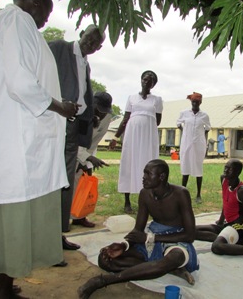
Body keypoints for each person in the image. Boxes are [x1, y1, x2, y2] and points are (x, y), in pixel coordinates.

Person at [0, 0, 78, 296]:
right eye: (47, 10)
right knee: (13, 221)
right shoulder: (17, 21)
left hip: (12, 141)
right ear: (35, 2)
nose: (48, 17)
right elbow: (21, 83)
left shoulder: (8, 24)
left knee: (5, 219)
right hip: (16, 144)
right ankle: (2, 291)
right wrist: (62, 107)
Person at [77, 159, 199, 299]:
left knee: (174, 258)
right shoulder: (145, 194)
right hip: (152, 238)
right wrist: (124, 245)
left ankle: (104, 280)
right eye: (144, 173)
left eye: (148, 174)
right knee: (105, 258)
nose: (144, 177)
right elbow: (138, 230)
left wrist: (150, 238)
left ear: (162, 177)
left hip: (176, 241)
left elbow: (190, 235)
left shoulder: (180, 194)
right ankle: (168, 269)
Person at [49, 24, 106, 249]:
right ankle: (45, 236)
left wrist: (89, 115)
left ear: (98, 48)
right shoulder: (58, 48)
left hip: (73, 127)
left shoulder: (86, 64)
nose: (90, 45)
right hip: (54, 122)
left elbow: (84, 94)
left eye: (95, 44)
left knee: (65, 180)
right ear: (82, 34)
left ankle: (58, 234)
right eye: (89, 39)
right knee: (51, 177)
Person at [111, 71, 163, 214]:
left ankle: (149, 201)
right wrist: (116, 137)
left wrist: (146, 123)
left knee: (149, 164)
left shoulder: (157, 100)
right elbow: (125, 118)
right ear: (141, 80)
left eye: (151, 80)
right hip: (132, 135)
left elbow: (157, 121)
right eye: (145, 79)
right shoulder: (131, 98)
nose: (147, 82)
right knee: (129, 162)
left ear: (154, 84)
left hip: (148, 136)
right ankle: (127, 201)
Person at [72, 92, 113, 228]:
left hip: (87, 150)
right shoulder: (81, 113)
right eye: (99, 110)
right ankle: (63, 219)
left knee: (83, 181)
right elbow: (73, 140)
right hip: (70, 151)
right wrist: (85, 157)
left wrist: (85, 160)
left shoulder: (106, 117)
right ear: (92, 104)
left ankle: (79, 217)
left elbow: (94, 141)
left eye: (104, 111)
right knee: (68, 185)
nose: (101, 115)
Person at [177, 92, 211, 204]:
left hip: (198, 144)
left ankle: (198, 194)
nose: (195, 104)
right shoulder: (184, 113)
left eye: (197, 102)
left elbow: (208, 128)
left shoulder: (204, 115)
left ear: (200, 102)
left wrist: (200, 134)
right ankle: (182, 192)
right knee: (186, 165)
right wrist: (185, 132)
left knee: (198, 167)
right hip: (186, 143)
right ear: (191, 102)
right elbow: (178, 124)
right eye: (193, 102)